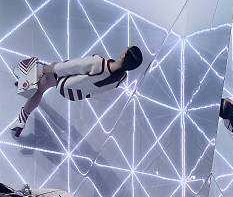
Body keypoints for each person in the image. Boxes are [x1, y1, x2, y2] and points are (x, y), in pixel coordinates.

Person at [11, 45, 143, 137]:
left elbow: (74, 66)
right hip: (76, 91)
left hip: (66, 81)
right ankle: (28, 83)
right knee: (43, 78)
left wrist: (54, 68)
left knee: (40, 86)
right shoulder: (121, 78)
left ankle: (22, 117)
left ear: (124, 54)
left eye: (127, 48)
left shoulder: (98, 63)